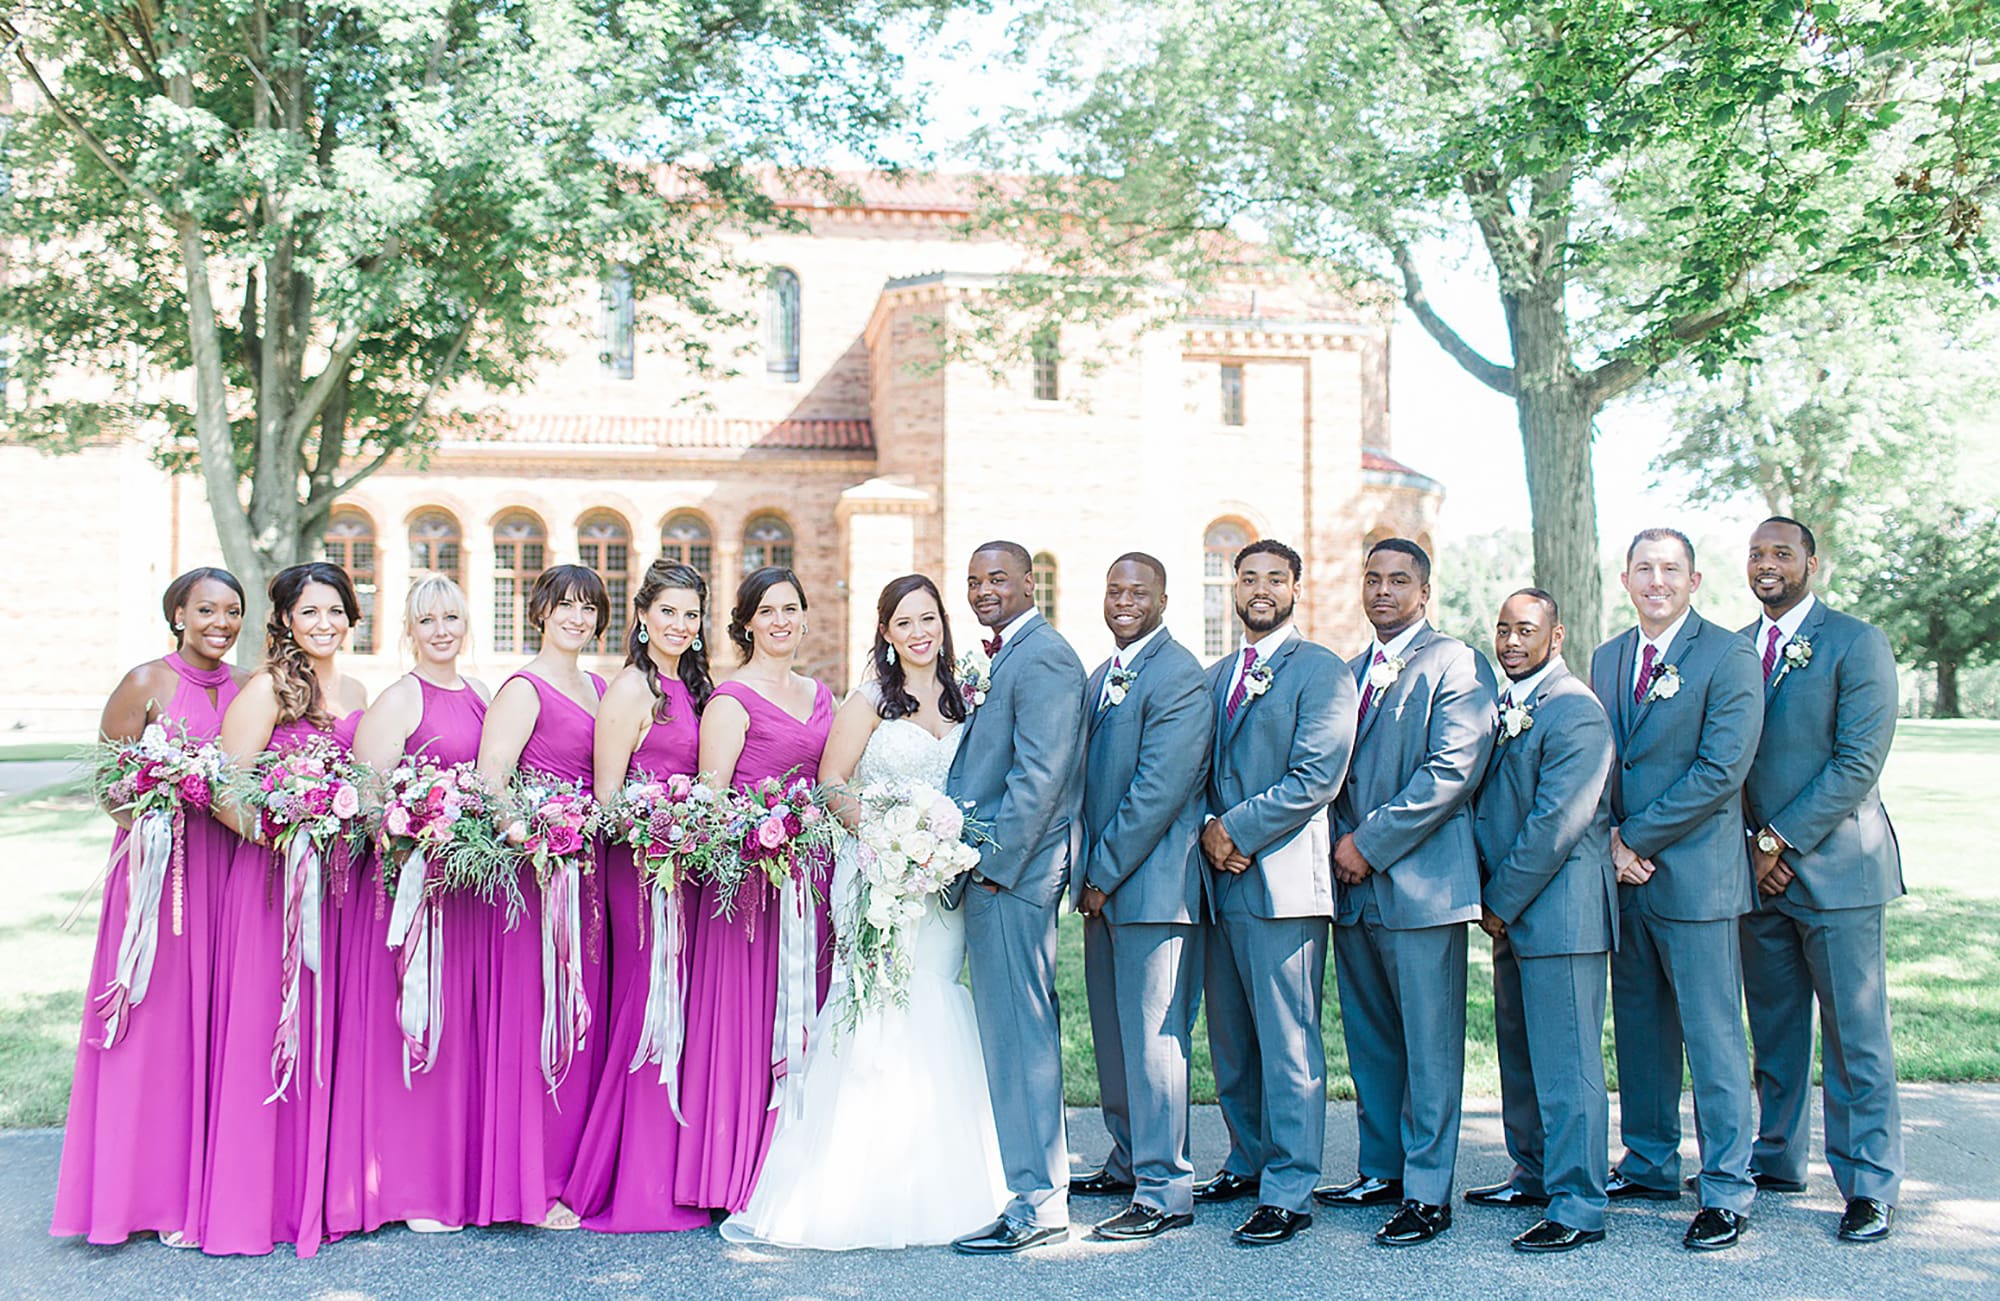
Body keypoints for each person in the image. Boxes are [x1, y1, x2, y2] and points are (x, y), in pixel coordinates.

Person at [721, 574, 1008, 1249]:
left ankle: (944, 1181)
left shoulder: (970, 698)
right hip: (875, 871)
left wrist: (938, 848)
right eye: (904, 621)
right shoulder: (869, 701)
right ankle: (852, 1185)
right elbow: (831, 784)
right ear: (885, 632)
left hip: (942, 883)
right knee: (876, 1009)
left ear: (943, 624)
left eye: (928, 618)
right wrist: (882, 835)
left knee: (935, 999)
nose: (918, 632)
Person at [52, 568, 248, 1249]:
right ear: (178, 614)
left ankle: (202, 1187)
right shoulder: (145, 682)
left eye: (231, 611)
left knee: (213, 1023)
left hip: (228, 870)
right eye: (205, 610)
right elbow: (109, 784)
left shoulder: (251, 688)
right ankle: (139, 1192)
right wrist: (160, 803)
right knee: (155, 1027)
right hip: (157, 872)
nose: (219, 622)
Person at [1589, 528, 1764, 1251]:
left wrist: (1637, 839)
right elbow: (1592, 759)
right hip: (1623, 882)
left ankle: (1725, 1186)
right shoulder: (1606, 658)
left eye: (1670, 569)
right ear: (1626, 579)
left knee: (1713, 1034)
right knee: (1639, 1029)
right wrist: (1606, 840)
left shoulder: (1729, 655)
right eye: (1644, 569)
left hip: (1696, 881)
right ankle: (1652, 1160)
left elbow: (1722, 770)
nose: (1656, 580)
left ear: (1694, 581)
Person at [1320, 538, 1495, 1248]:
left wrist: (1369, 842)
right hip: (1352, 887)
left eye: (1399, 580)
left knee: (1428, 1045)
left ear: (1424, 591)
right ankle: (1381, 1168)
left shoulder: (1456, 663)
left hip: (1421, 887)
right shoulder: (1351, 670)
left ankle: (1427, 1192)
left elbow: (1451, 770)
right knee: (1372, 1040)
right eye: (1373, 579)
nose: (1384, 591)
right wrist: (1338, 841)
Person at [1737, 517, 1903, 1244]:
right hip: (1756, 876)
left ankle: (1869, 1182)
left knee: (1854, 1036)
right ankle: (1776, 1155)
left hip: (1837, 871)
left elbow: (1857, 763)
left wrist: (1777, 838)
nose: (1768, 564)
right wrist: (1751, 846)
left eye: (1781, 552)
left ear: (1811, 561)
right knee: (1773, 1031)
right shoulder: (1736, 648)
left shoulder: (1856, 642)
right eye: (1757, 554)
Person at [201, 562, 369, 1257]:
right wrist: (287, 832)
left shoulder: (359, 690)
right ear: (286, 622)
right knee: (267, 1025)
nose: (324, 624)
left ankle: (318, 1191)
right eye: (310, 613)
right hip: (272, 882)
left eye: (335, 611)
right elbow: (222, 788)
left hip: (340, 888)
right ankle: (253, 1200)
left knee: (326, 1027)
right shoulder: (268, 688)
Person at [1193, 539, 1355, 1248]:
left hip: (1283, 883)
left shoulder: (1320, 671)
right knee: (1231, 1036)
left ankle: (1290, 1185)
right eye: (1248, 577)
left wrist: (1235, 830)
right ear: (1234, 588)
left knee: (1288, 1040)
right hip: (1219, 880)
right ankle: (1248, 1157)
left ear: (1296, 587)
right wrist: (1206, 827)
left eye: (1274, 579)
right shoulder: (1215, 674)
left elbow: (1317, 774)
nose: (1260, 589)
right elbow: (1190, 766)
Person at [328, 576, 492, 1236]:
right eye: (428, 619)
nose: (442, 629)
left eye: (452, 615)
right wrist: (413, 830)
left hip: (470, 894)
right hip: (411, 891)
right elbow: (369, 805)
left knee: (457, 1035)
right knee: (412, 1026)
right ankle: (405, 1182)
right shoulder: (398, 699)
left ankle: (454, 1174)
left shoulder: (483, 695)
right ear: (408, 629)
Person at [676, 565, 835, 1214]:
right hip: (746, 890)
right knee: (745, 1025)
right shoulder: (730, 700)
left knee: (811, 1018)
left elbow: (830, 783)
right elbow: (710, 806)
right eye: (766, 610)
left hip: (812, 884)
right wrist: (762, 840)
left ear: (803, 616)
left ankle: (802, 1167)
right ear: (746, 623)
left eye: (790, 608)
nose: (779, 621)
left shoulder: (822, 694)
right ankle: (735, 1173)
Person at [947, 541, 1088, 1256]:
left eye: (998, 578)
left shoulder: (1046, 657)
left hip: (1014, 877)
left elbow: (1042, 774)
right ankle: (1032, 1187)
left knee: (1021, 1038)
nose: (983, 590)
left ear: (1032, 582)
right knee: (1009, 1036)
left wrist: (994, 866)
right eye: (973, 580)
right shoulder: (1005, 656)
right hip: (992, 874)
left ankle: (1038, 1202)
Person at [1466, 589, 1617, 1254]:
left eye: (1526, 630)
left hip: (1559, 914)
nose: (1511, 641)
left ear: (1556, 637)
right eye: (1503, 629)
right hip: (1516, 914)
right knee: (1522, 1055)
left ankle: (1579, 1200)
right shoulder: (1507, 706)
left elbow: (1556, 823)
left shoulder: (1576, 711)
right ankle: (1532, 1173)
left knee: (1568, 1065)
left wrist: (1498, 899)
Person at [567, 560, 714, 1234]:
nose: (680, 626)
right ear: (643, 614)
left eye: (690, 615)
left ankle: (679, 1163)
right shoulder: (631, 689)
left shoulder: (692, 685)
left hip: (684, 867)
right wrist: (658, 825)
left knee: (676, 1002)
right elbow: (605, 798)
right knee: (646, 1002)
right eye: (668, 613)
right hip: (641, 867)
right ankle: (637, 1178)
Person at [1070, 554, 1213, 1242]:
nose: (1124, 600)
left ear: (1163, 596)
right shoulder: (1105, 674)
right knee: (1115, 1031)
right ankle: (1128, 1157)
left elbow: (1160, 788)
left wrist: (1101, 870)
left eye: (1138, 591)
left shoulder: (1179, 673)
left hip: (1154, 888)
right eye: (1114, 590)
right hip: (1106, 889)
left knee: (1156, 1037)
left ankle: (1164, 1186)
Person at [474, 564, 612, 1230]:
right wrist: (531, 835)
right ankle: (533, 1180)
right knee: (541, 1016)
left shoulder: (599, 686)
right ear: (539, 610)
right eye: (566, 605)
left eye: (590, 608)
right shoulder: (524, 687)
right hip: (540, 878)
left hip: (593, 875)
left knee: (584, 1014)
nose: (577, 618)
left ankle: (574, 1172)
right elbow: (491, 776)